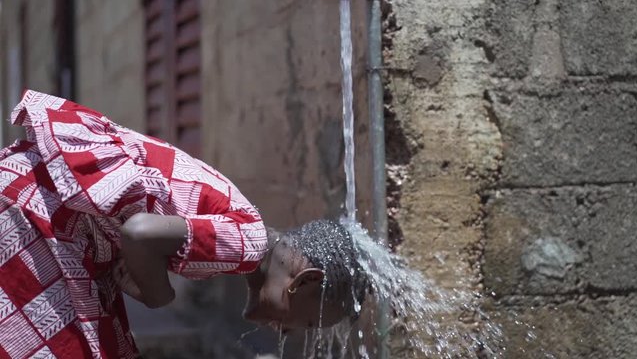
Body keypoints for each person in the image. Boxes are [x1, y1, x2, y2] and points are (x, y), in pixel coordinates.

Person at [0, 90, 366, 358]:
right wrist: (159, 295)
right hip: (39, 212)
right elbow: (139, 232)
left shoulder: (247, 230)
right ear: (304, 281)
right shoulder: (249, 244)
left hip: (45, 201)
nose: (288, 332)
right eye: (308, 324)